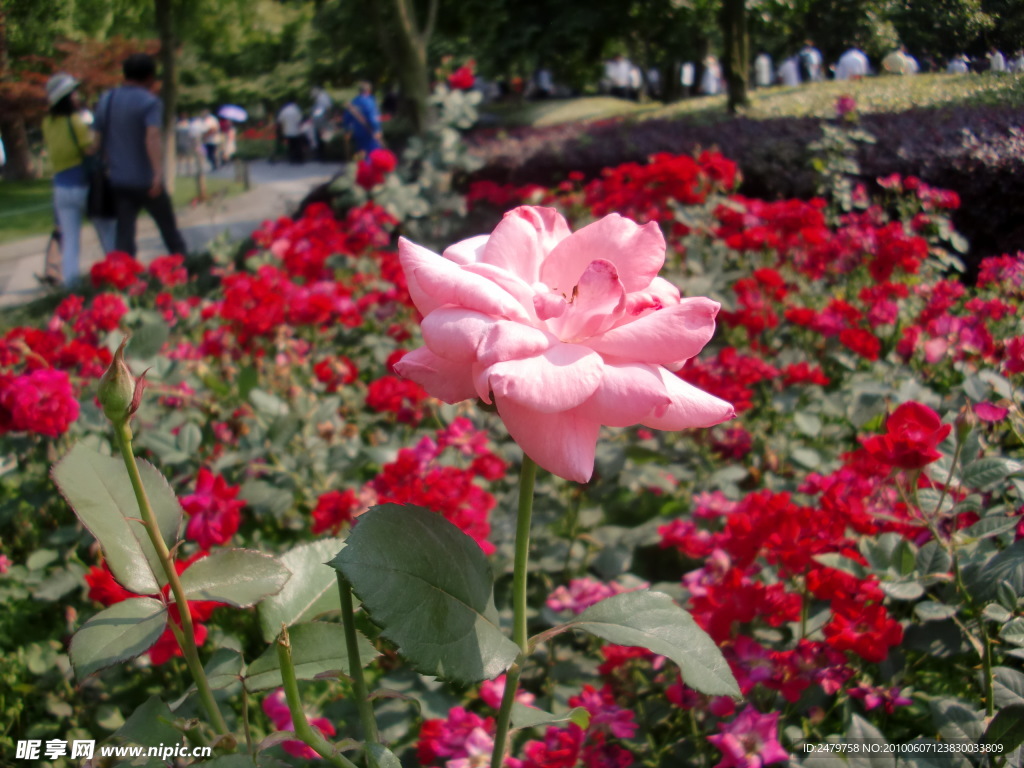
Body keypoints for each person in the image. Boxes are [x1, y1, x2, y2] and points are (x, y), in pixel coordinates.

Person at [95, 53, 187, 258]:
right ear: (149, 77)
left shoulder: (106, 100)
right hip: (146, 180)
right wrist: (157, 173)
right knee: (169, 230)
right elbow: (152, 135)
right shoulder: (150, 102)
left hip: (119, 179)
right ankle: (185, 270)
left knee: (125, 236)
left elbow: (97, 140)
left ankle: (125, 280)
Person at [40, 73, 116, 286]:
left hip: (61, 188)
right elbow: (90, 149)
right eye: (73, 92)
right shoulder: (75, 121)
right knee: (107, 231)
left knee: (70, 242)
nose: (76, 95)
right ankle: (118, 275)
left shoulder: (47, 123)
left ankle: (71, 286)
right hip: (84, 185)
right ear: (66, 97)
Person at [342, 82, 382, 157]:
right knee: (374, 155)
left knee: (362, 154)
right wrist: (377, 130)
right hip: (370, 132)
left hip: (358, 132)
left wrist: (347, 131)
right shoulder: (369, 102)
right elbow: (373, 118)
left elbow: (347, 119)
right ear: (369, 91)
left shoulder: (354, 102)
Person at [277, 99, 304, 164]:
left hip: (287, 131)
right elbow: (299, 120)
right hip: (296, 131)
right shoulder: (296, 110)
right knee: (297, 145)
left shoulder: (284, 111)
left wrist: (283, 131)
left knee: (291, 146)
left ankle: (292, 159)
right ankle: (299, 159)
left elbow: (280, 121)